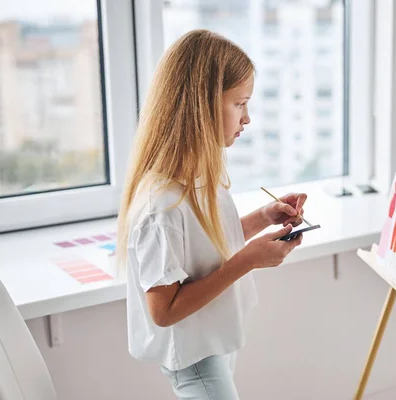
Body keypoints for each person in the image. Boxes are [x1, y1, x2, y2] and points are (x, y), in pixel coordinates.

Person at [116, 29, 308, 399]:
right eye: (240, 104)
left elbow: (200, 245)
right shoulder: (161, 205)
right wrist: (248, 261)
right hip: (195, 358)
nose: (247, 118)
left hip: (211, 344)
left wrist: (263, 218)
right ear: (202, 105)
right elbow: (164, 310)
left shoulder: (196, 178)